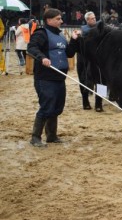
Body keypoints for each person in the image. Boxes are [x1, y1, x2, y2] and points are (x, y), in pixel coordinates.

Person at [27, 8, 79, 147]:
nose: (61, 21)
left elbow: (68, 54)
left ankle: (52, 136)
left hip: (59, 78)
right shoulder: (41, 33)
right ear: (49, 20)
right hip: (45, 78)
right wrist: (42, 57)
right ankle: (35, 137)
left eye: (60, 18)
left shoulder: (61, 35)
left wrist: (73, 40)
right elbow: (31, 48)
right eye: (58, 19)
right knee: (47, 106)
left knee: (57, 107)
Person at [78, 11, 103, 111]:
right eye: (92, 18)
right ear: (87, 20)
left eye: (94, 18)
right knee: (84, 79)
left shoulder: (100, 26)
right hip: (85, 58)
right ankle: (85, 102)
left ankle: (99, 103)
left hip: (99, 57)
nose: (94, 19)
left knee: (101, 80)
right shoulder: (84, 29)